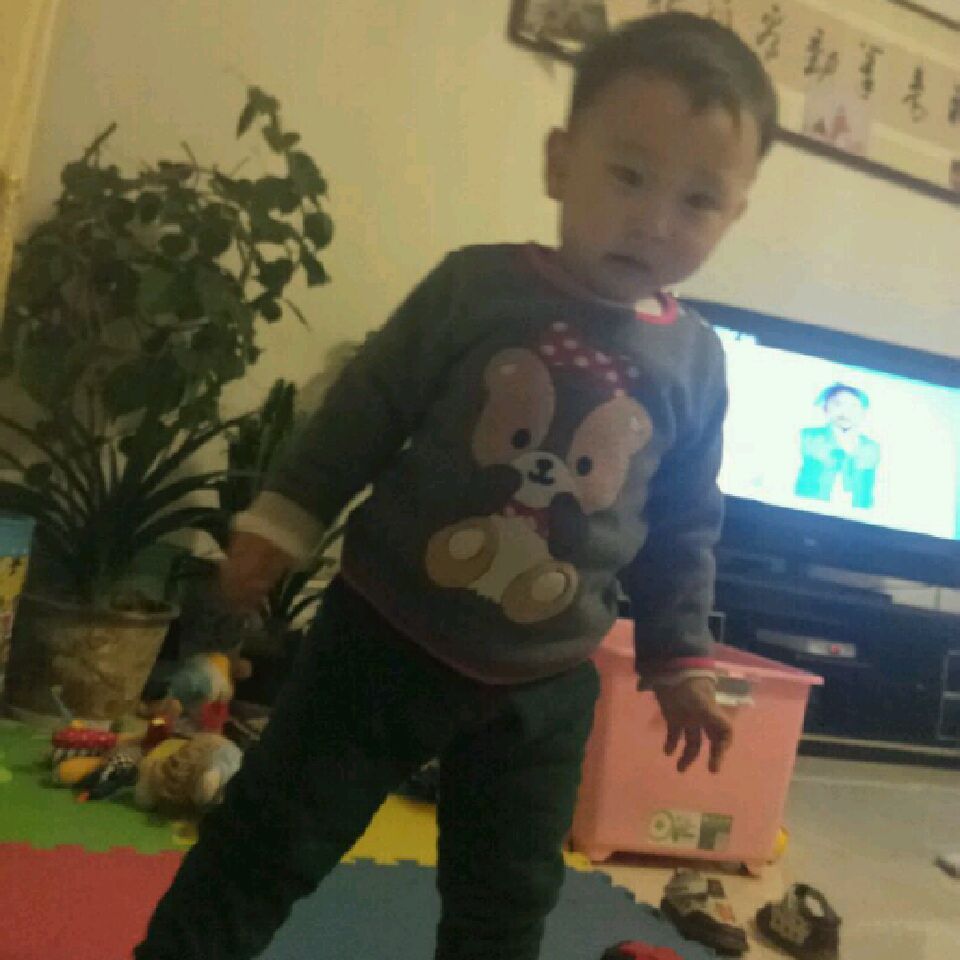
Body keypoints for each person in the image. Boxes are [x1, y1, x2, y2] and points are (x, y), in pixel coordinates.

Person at [134, 13, 778, 960]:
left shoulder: (697, 363)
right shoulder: (473, 289)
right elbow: (362, 411)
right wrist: (282, 522)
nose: (654, 221)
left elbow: (683, 525)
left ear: (734, 215)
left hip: (545, 681)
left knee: (507, 902)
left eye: (697, 200)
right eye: (628, 175)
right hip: (382, 634)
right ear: (560, 162)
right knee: (268, 837)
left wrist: (679, 657)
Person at [795, 383, 880, 510]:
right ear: (825, 407)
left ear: (863, 412)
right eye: (838, 404)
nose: (845, 412)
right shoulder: (807, 437)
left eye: (853, 406)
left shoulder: (871, 448)